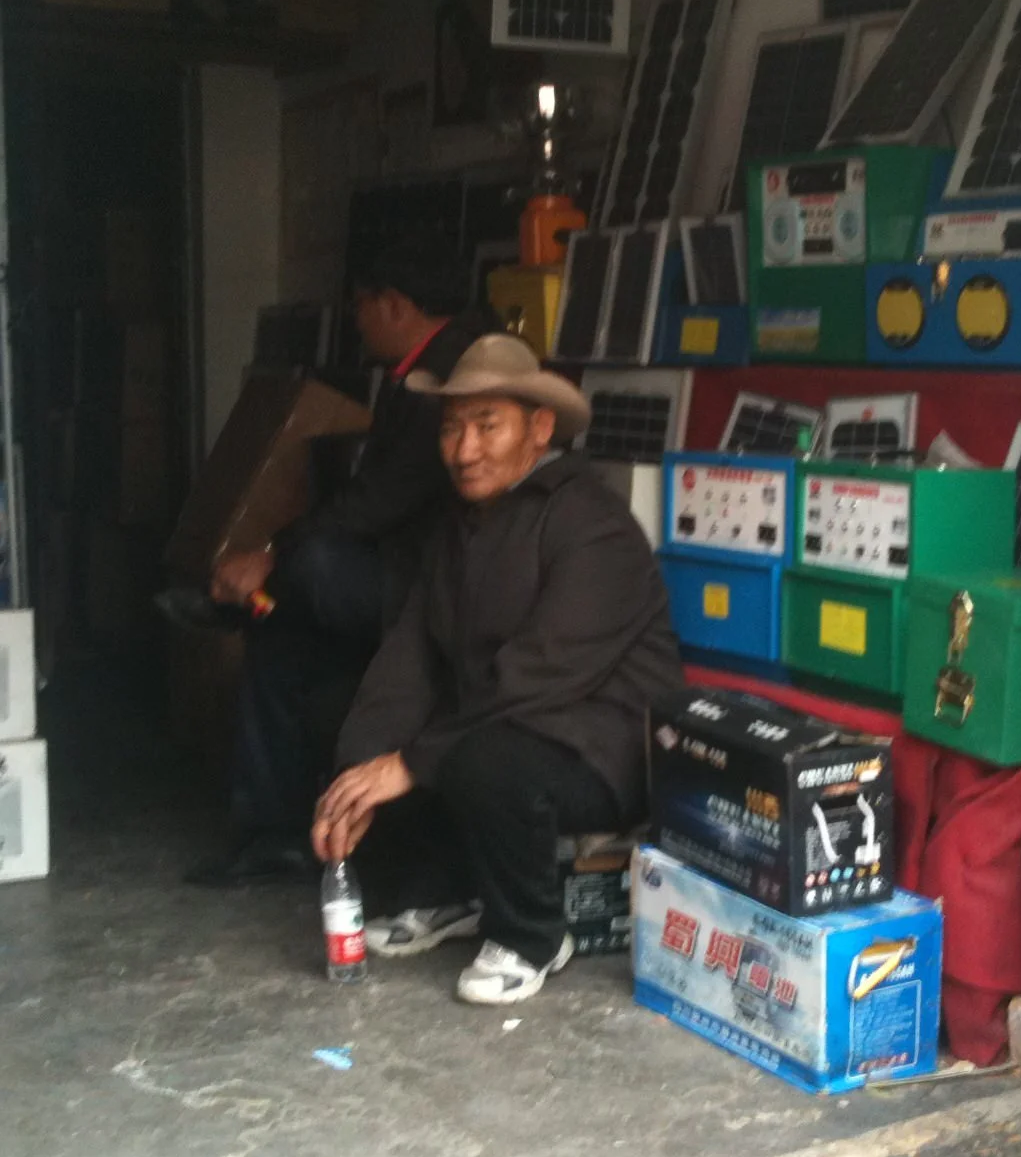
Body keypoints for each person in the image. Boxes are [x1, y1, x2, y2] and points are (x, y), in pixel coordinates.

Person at [310, 334, 683, 1006]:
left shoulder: (591, 521)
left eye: (488, 426)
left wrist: (410, 762)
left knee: (477, 758)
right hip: (503, 720)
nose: (464, 450)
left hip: (602, 746)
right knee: (365, 726)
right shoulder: (460, 525)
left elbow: (542, 672)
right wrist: (357, 772)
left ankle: (533, 936)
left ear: (539, 429)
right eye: (452, 428)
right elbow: (410, 657)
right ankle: (446, 893)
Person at [183, 248, 496, 885]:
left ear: (394, 305)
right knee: (278, 642)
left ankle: (238, 601)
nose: (356, 322)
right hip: (400, 573)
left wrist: (273, 554)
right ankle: (275, 834)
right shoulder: (418, 367)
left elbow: (384, 498)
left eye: (361, 306)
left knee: (316, 564)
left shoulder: (453, 368)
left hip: (434, 588)